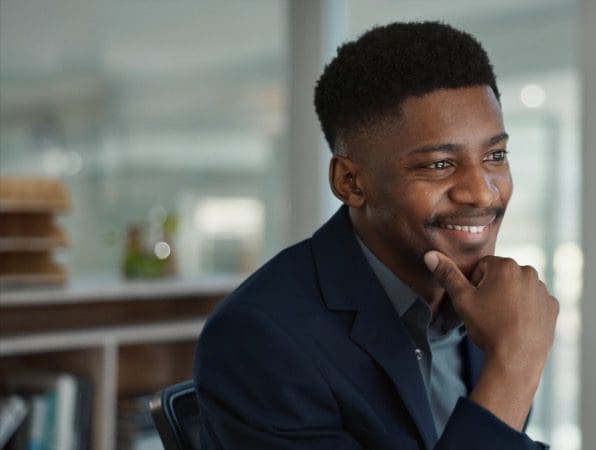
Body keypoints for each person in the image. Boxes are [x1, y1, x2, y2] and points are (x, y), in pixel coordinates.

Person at [194, 21, 559, 449]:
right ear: (351, 182)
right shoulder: (260, 339)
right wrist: (513, 368)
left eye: (494, 155)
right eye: (440, 164)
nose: (481, 191)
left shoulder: (486, 300)